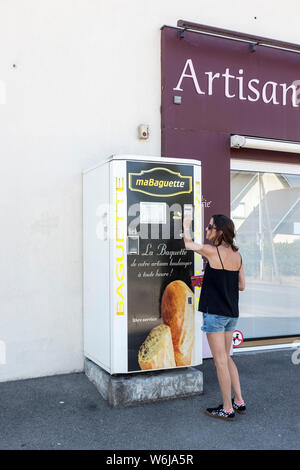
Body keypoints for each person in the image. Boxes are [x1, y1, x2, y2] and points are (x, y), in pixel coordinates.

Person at [183, 213, 246, 422]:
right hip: (231, 314)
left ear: (220, 232)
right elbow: (241, 286)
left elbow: (188, 243)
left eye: (210, 227)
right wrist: (219, 283)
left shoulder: (212, 251)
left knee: (220, 362)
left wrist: (186, 223)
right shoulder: (237, 255)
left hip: (215, 314)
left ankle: (227, 408)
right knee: (226, 358)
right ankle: (239, 400)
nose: (207, 230)